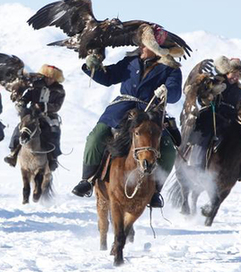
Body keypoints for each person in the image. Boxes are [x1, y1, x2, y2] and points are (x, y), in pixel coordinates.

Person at [71, 31, 184, 207]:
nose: (141, 48)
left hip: (150, 114)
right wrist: (93, 67)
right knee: (96, 137)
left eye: (145, 45)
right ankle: (87, 180)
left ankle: (155, 191)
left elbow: (176, 92)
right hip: (121, 110)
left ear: (156, 49)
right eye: (142, 44)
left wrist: (166, 91)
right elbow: (109, 77)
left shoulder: (171, 68)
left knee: (169, 150)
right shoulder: (130, 62)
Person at [187, 56, 241, 180]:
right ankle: (197, 165)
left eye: (238, 75)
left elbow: (239, 105)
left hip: (230, 119)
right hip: (212, 115)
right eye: (233, 74)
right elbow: (201, 97)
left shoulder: (240, 90)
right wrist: (208, 97)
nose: (235, 77)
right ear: (227, 72)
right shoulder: (215, 81)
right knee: (204, 137)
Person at [4, 64, 65, 171]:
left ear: (55, 79)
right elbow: (27, 97)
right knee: (20, 128)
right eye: (47, 76)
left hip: (49, 115)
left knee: (54, 131)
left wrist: (43, 106)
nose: (48, 79)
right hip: (32, 114)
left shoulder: (59, 91)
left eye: (51, 77)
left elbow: (57, 106)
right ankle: (13, 152)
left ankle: (53, 157)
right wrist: (22, 103)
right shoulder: (35, 86)